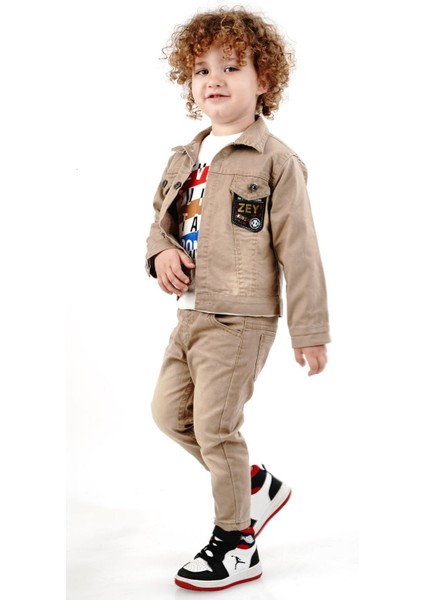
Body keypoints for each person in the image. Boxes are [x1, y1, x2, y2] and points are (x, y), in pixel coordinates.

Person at [145, 6, 330, 592]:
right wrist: (160, 254)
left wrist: (309, 329)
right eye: (201, 70)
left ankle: (236, 541)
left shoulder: (276, 161)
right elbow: (159, 225)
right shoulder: (184, 157)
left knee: (216, 427)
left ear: (264, 79)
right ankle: (254, 484)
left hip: (239, 318)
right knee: (169, 415)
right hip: (188, 315)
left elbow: (300, 249)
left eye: (231, 67)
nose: (214, 80)